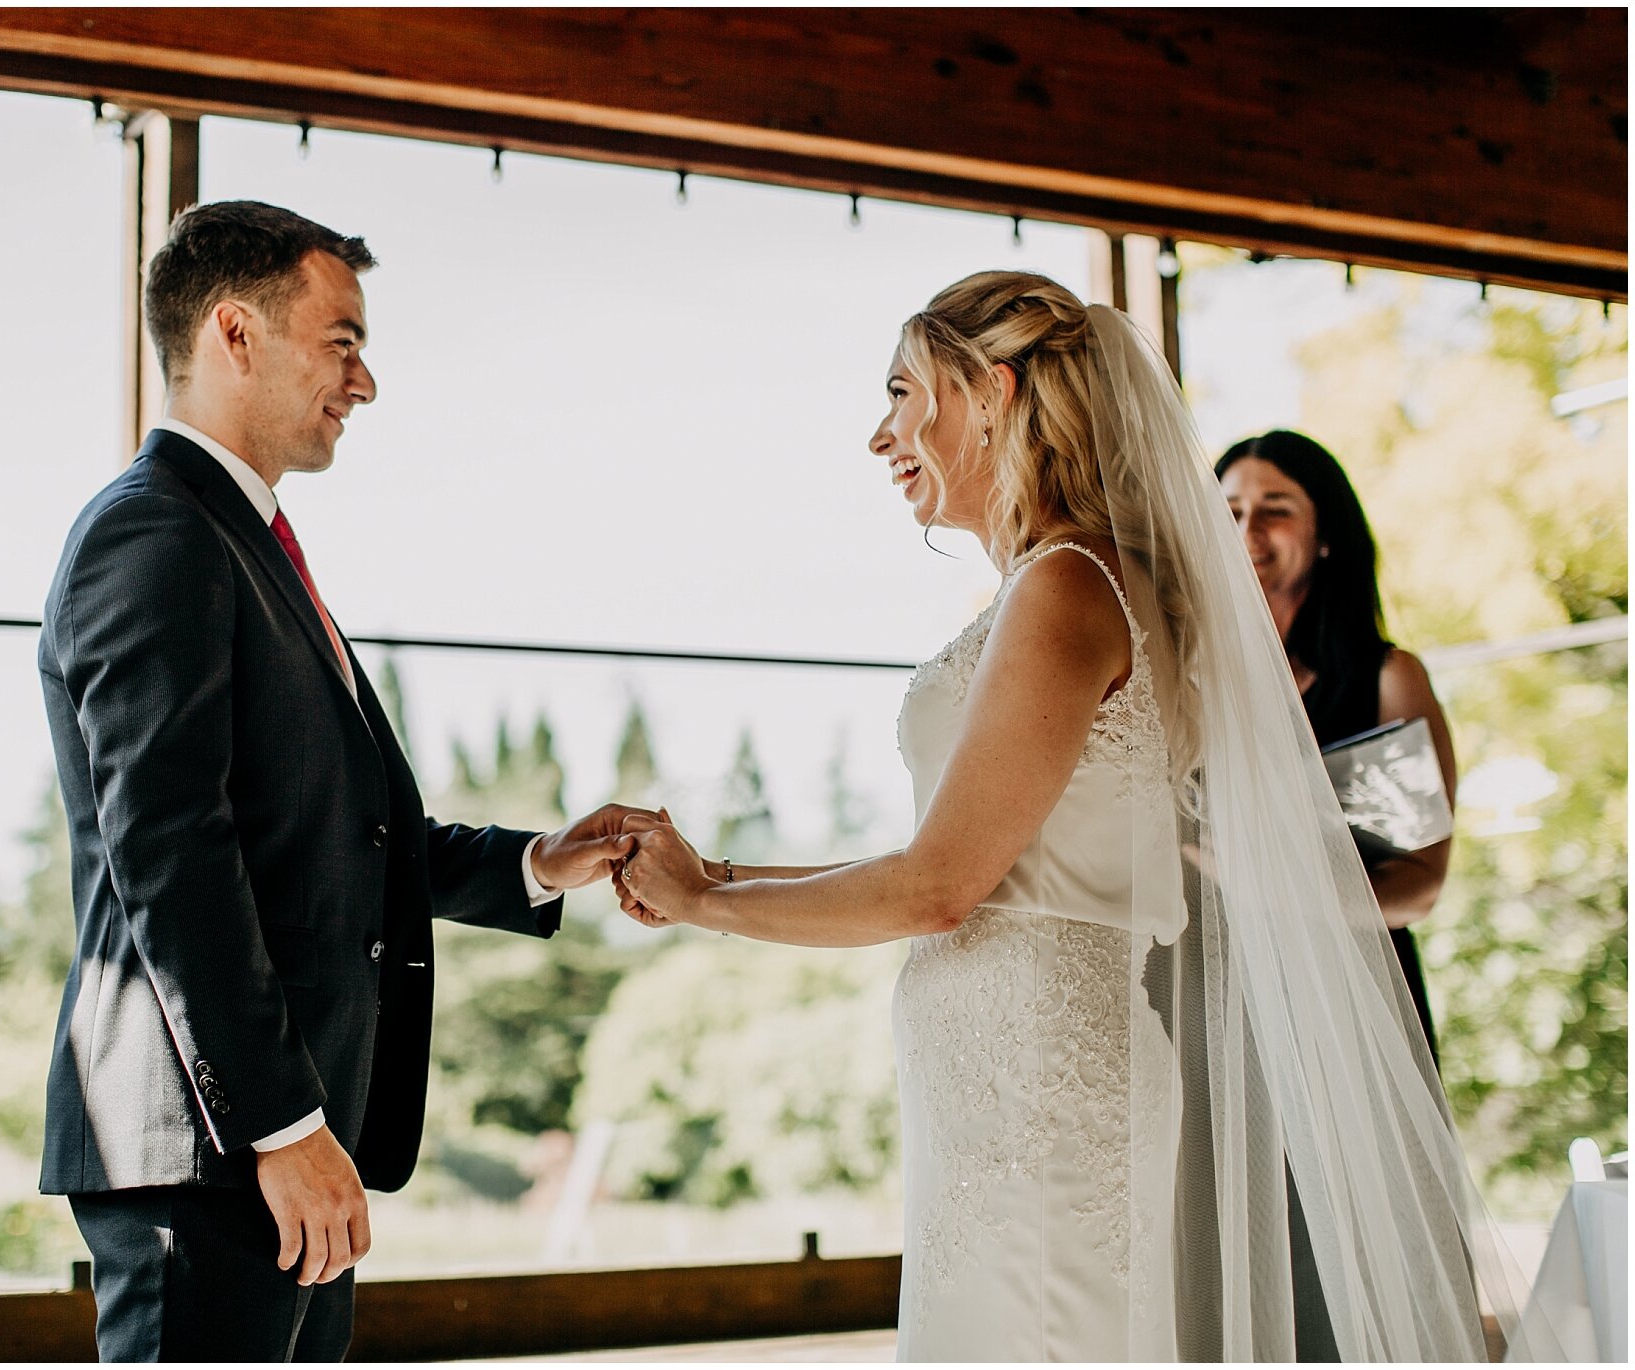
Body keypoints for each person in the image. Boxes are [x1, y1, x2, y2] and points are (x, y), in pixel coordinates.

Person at [617, 272, 1543, 1359]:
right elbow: (967, 854)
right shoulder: (1057, 585)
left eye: (901, 391)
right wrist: (713, 875)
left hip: (1045, 1098)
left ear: (990, 393)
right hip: (1007, 1092)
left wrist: (704, 906)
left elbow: (938, 885)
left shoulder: (1069, 585)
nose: (880, 435)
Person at [35, 200, 642, 1361]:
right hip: (216, 1150)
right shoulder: (153, 533)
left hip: (278, 1151)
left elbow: (347, 836)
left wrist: (539, 860)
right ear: (235, 332)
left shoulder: (243, 542)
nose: (365, 382)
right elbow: (169, 852)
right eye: (344, 340)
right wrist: (279, 1124)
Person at [1217, 430, 1456, 1065]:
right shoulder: (1192, 681)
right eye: (1231, 510)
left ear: (1324, 534)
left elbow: (1420, 884)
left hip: (1358, 1014)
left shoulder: (1387, 679)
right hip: (1224, 1007)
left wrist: (1284, 895)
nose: (1249, 529)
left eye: (1276, 508)